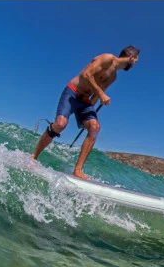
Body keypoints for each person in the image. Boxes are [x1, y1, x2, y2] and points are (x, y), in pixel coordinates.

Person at [31, 46, 140, 180]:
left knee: (94, 127)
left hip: (85, 101)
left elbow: (96, 96)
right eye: (136, 60)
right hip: (72, 92)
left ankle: (77, 170)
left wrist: (88, 115)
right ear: (131, 57)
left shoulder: (113, 77)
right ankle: (33, 156)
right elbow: (86, 74)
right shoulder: (107, 58)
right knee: (60, 124)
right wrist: (102, 94)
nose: (135, 63)